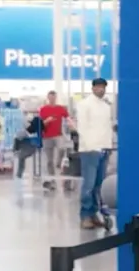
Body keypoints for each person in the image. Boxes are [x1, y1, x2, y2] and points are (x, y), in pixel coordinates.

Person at [75, 77, 115, 229]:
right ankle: (85, 215)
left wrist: (108, 146)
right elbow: (82, 128)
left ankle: (94, 214)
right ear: (92, 88)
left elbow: (107, 127)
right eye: (98, 87)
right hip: (90, 149)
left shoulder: (106, 106)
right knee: (89, 184)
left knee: (99, 185)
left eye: (103, 87)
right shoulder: (84, 105)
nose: (101, 89)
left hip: (104, 148)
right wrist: (91, 146)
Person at [39, 90, 70, 190]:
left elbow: (68, 117)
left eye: (54, 97)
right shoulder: (43, 109)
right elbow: (40, 124)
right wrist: (47, 121)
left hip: (58, 135)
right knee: (49, 160)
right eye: (50, 97)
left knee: (62, 148)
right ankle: (52, 181)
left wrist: (72, 124)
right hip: (47, 136)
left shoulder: (60, 108)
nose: (52, 99)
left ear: (56, 98)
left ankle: (58, 163)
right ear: (48, 98)